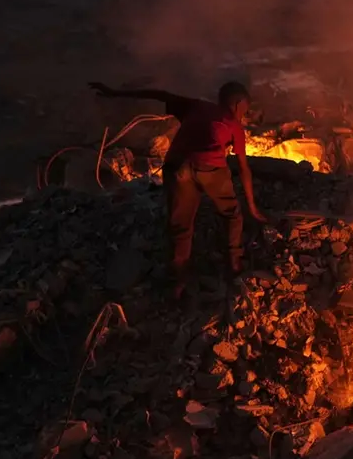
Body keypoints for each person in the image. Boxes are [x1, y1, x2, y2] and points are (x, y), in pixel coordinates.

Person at [88, 80, 267, 297]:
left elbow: (159, 93)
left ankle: (179, 279)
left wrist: (115, 92)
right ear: (239, 103)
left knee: (180, 225)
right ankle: (235, 262)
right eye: (245, 108)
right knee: (231, 214)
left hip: (176, 167)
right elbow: (243, 168)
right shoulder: (234, 124)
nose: (245, 113)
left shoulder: (197, 106)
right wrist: (253, 207)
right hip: (209, 167)